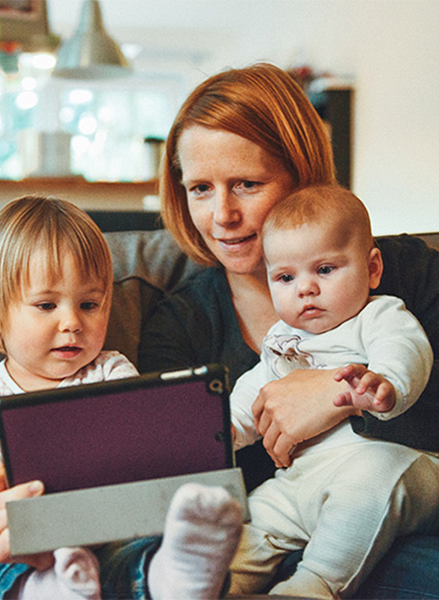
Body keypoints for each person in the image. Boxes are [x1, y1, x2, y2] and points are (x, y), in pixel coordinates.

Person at [137, 63, 439, 597]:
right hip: (268, 529)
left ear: (301, 175)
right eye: (201, 189)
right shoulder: (180, 324)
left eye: (246, 184)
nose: (223, 214)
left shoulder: (407, 275)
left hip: (397, 534)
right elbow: (188, 476)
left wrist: (335, 393)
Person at [0, 195, 244, 600]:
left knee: (164, 532)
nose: (72, 322)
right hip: (18, 550)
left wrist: (192, 439)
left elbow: (142, 464)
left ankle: (168, 579)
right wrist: (32, 528)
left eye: (89, 304)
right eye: (46, 305)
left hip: (107, 539)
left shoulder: (112, 372)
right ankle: (35, 590)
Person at [227, 185, 439, 598]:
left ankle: (316, 584)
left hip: (394, 466)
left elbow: (406, 349)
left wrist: (387, 384)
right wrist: (225, 429)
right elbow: (254, 392)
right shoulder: (282, 339)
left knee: (367, 483)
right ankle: (211, 581)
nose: (305, 288)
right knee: (254, 515)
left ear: (372, 268)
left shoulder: (379, 314)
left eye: (325, 270)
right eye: (286, 277)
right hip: (303, 479)